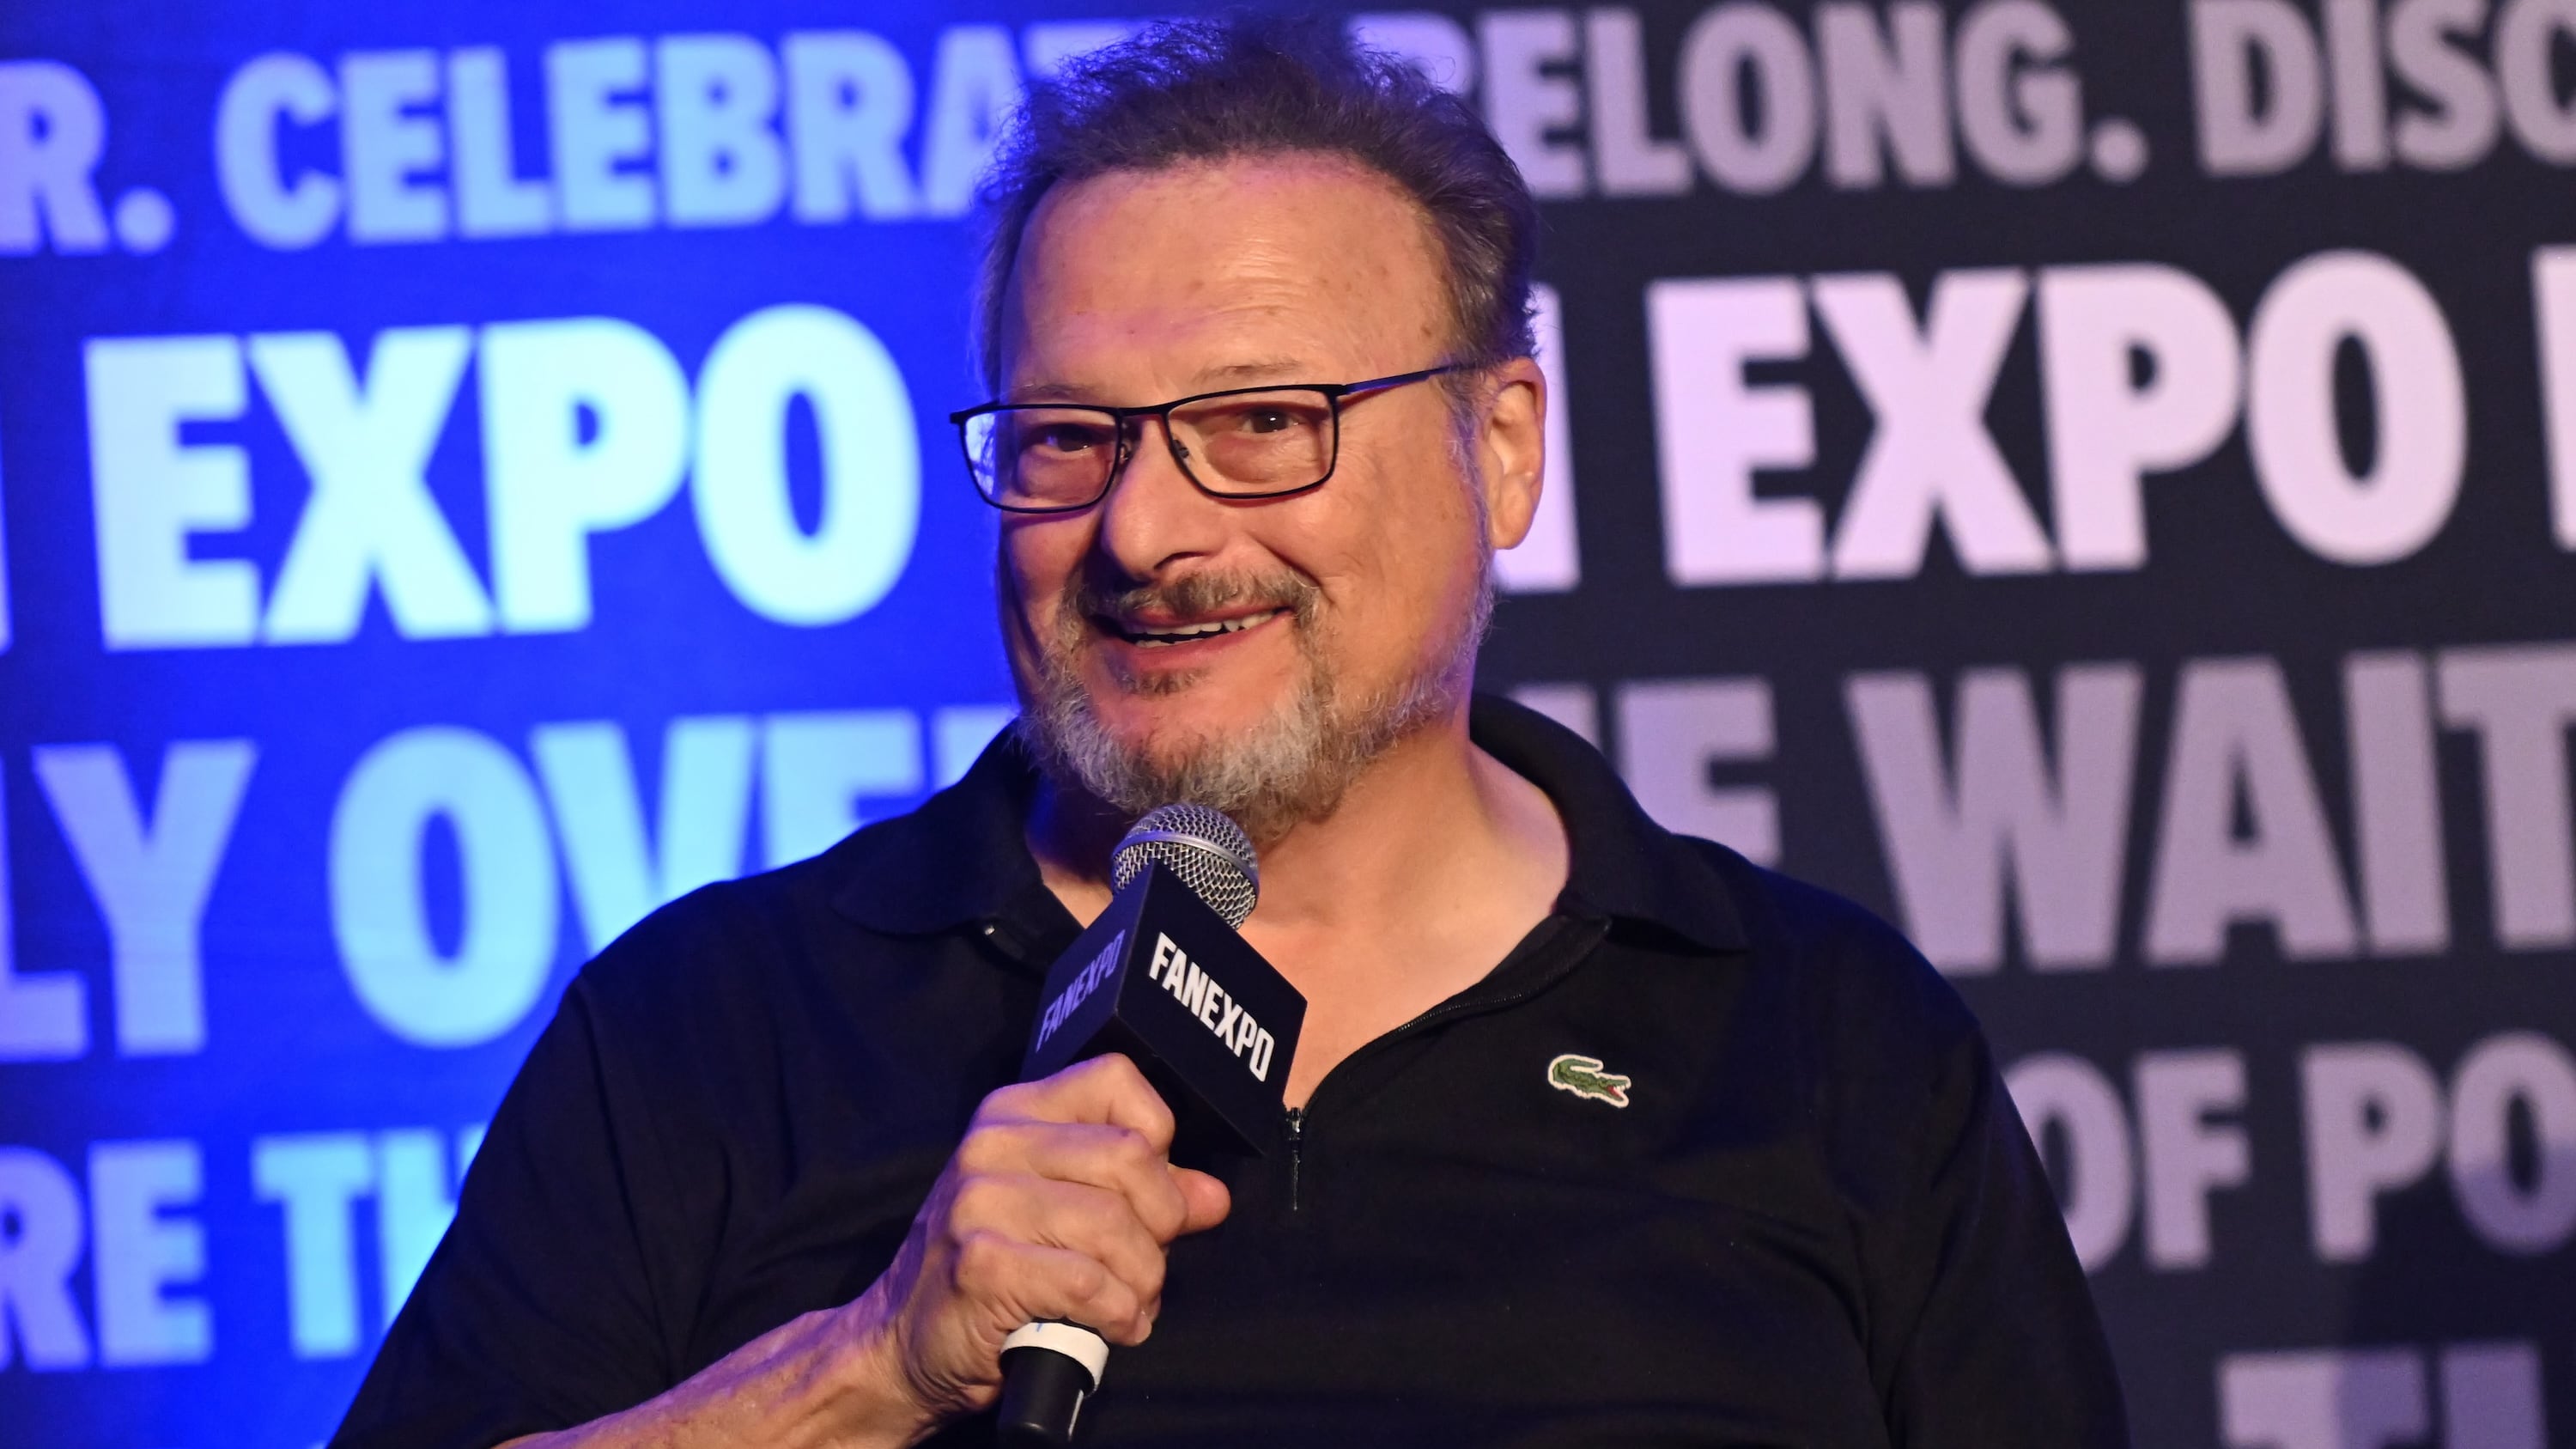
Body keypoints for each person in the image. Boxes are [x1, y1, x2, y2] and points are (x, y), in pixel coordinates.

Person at [331, 14, 2128, 1447]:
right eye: (1065, 437)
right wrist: (868, 1366)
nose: (1146, 533)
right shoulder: (719, 1031)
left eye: (1265, 421)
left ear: (1503, 446)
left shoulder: (1818, 1038)